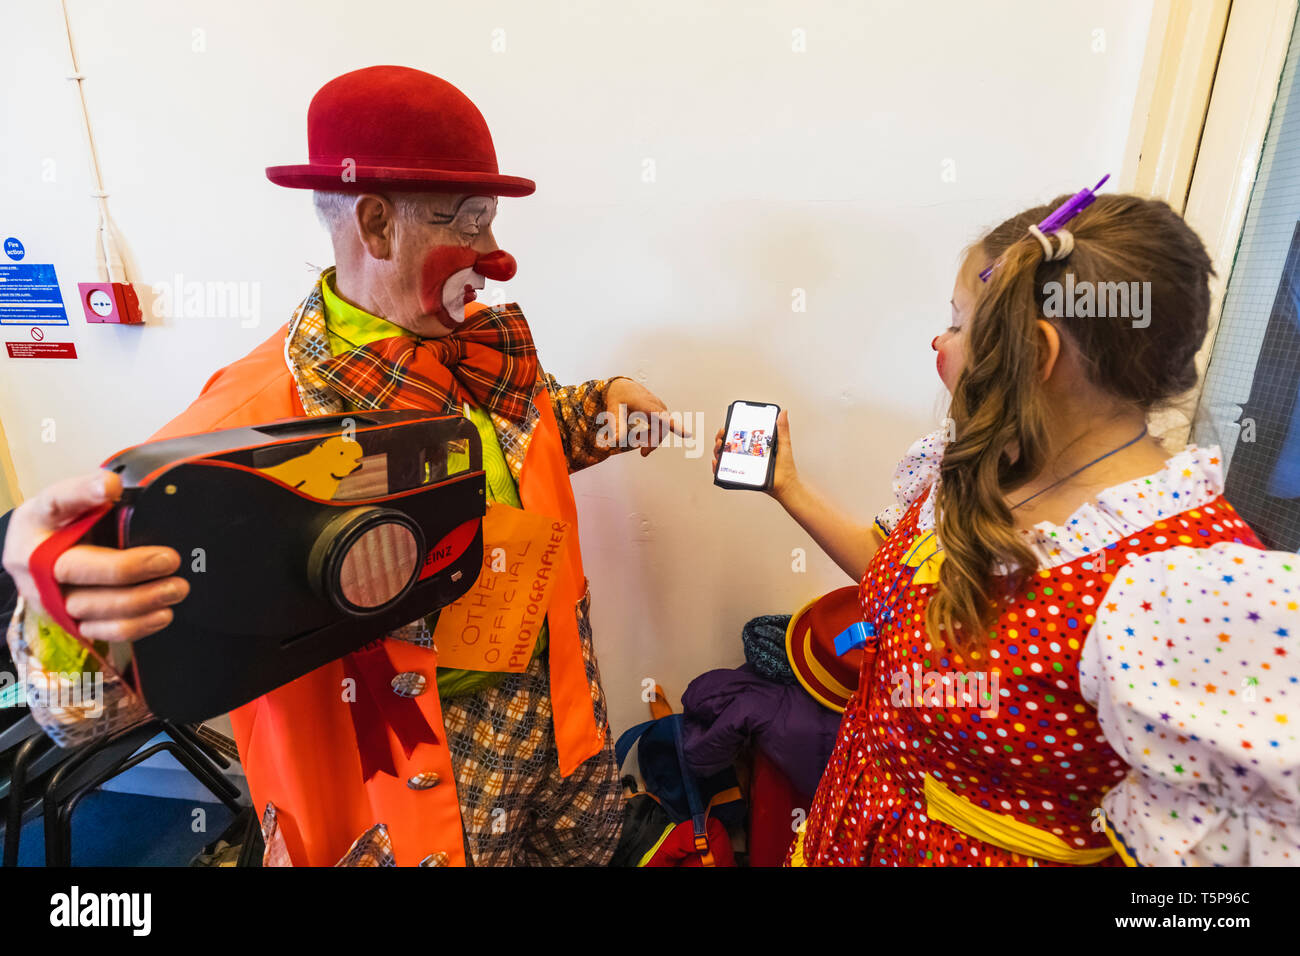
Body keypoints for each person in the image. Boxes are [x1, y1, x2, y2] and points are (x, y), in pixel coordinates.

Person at [2, 65, 687, 867]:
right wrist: (56, 615)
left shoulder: (473, 354)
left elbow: (509, 444)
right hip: (419, 779)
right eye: (471, 220)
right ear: (376, 224)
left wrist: (600, 409)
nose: (496, 255)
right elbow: (85, 707)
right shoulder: (249, 424)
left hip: (555, 722)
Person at [714, 188, 1299, 866]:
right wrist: (790, 488)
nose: (940, 341)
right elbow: (896, 583)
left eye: (959, 324)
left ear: (1037, 353)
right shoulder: (983, 464)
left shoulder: (1181, 592)